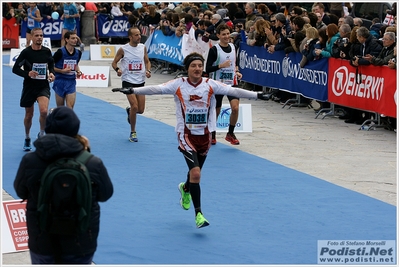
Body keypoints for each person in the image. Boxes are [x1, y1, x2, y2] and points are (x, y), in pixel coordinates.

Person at [112, 52, 267, 228]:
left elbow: (233, 90)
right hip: (185, 135)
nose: (197, 69)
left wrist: (257, 95)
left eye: (200, 66)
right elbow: (157, 89)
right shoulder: (179, 84)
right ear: (188, 68)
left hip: (205, 135)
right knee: (196, 174)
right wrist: (133, 90)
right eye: (194, 66)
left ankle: (185, 188)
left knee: (195, 173)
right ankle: (199, 214)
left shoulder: (210, 85)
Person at [14, 106, 114, 264]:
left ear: (48, 127)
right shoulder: (92, 162)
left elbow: (20, 192)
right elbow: (106, 194)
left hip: (42, 239)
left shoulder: (31, 160)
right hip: (81, 241)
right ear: (76, 128)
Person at [12, 27, 56, 151]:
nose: (39, 38)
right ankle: (27, 137)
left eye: (41, 36)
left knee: (43, 111)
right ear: (31, 37)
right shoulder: (26, 53)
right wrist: (28, 73)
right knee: (29, 115)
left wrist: (52, 73)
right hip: (29, 87)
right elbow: (15, 69)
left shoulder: (47, 51)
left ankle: (42, 134)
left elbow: (51, 64)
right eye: (36, 36)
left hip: (43, 86)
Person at [111, 26, 151, 142]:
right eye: (136, 35)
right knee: (135, 106)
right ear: (130, 37)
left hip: (140, 82)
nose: (139, 37)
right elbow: (114, 63)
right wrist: (117, 69)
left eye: (139, 34)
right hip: (128, 81)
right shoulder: (123, 49)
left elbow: (147, 62)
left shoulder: (143, 47)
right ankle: (133, 132)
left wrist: (148, 70)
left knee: (141, 110)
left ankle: (129, 111)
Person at [206, 24, 243, 145]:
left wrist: (237, 71)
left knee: (235, 108)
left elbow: (234, 63)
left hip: (232, 83)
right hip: (218, 84)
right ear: (218, 36)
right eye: (223, 34)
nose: (227, 36)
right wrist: (220, 66)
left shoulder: (233, 47)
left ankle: (230, 133)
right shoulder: (214, 50)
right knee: (216, 111)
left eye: (228, 34)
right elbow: (208, 68)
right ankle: (212, 134)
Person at [52, 31, 83, 109]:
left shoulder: (78, 53)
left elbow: (76, 64)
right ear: (66, 39)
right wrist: (62, 71)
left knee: (70, 108)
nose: (75, 40)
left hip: (71, 82)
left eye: (76, 38)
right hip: (60, 81)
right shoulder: (60, 52)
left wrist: (78, 71)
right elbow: (50, 66)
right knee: (61, 109)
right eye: (72, 38)